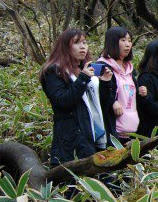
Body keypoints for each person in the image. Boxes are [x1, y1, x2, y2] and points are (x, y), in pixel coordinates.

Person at [40, 29, 114, 165]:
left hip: (94, 135)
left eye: (85, 42)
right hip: (71, 138)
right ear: (65, 47)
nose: (83, 47)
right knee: (71, 181)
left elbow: (102, 105)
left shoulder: (84, 70)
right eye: (76, 43)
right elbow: (63, 100)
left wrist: (105, 82)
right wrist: (83, 78)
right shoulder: (54, 71)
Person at [97, 26, 141, 141]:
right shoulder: (103, 67)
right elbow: (99, 96)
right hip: (113, 132)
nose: (128, 44)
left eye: (130, 41)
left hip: (131, 129)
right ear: (112, 42)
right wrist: (113, 102)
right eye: (123, 40)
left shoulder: (130, 69)